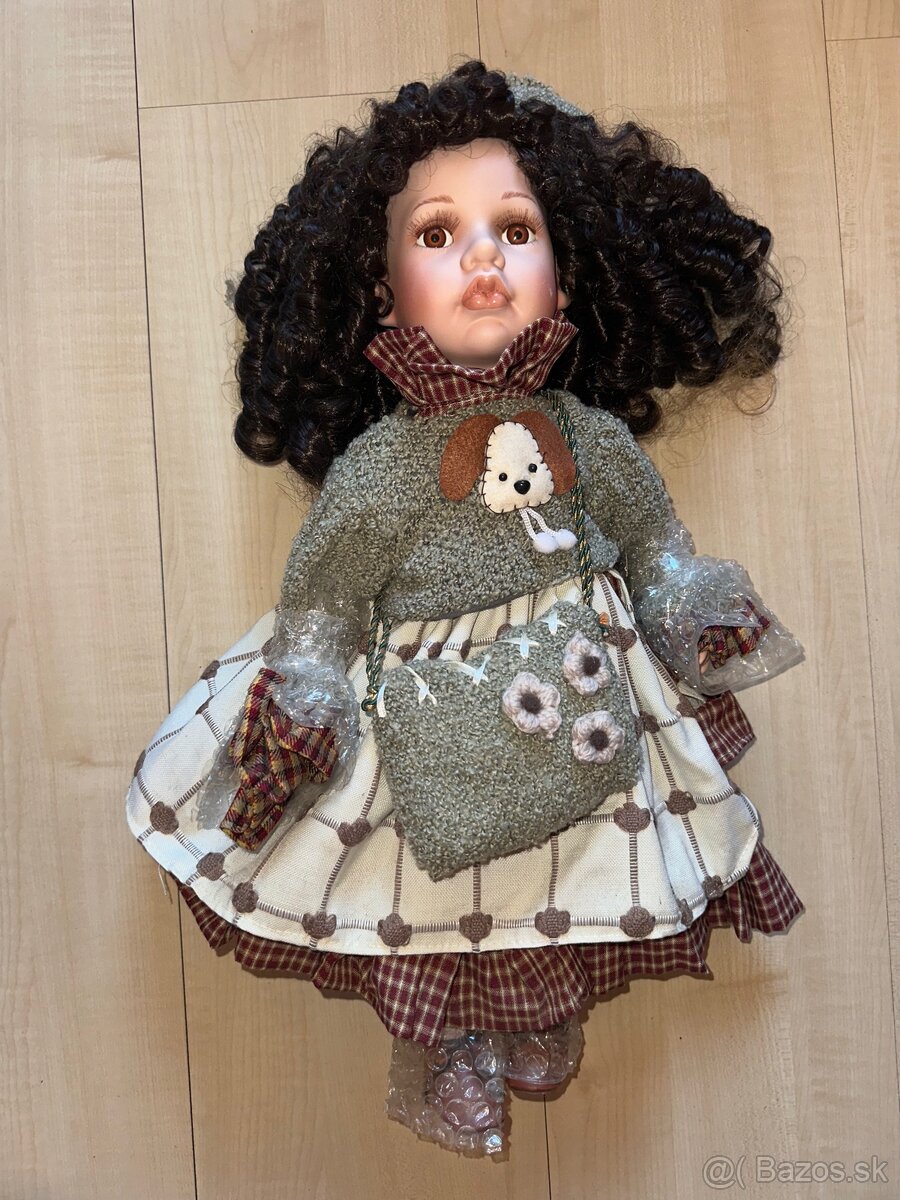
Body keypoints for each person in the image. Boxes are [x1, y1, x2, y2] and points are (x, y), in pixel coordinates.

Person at [125, 61, 805, 1157]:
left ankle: (541, 999)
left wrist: (686, 598)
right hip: (430, 703)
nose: (483, 256)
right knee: (421, 871)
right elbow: (326, 592)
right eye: (438, 234)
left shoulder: (589, 439)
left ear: (567, 281)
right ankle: (448, 1045)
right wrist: (307, 683)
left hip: (580, 686)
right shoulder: (378, 471)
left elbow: (651, 538)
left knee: (581, 844)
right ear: (382, 293)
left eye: (516, 229)